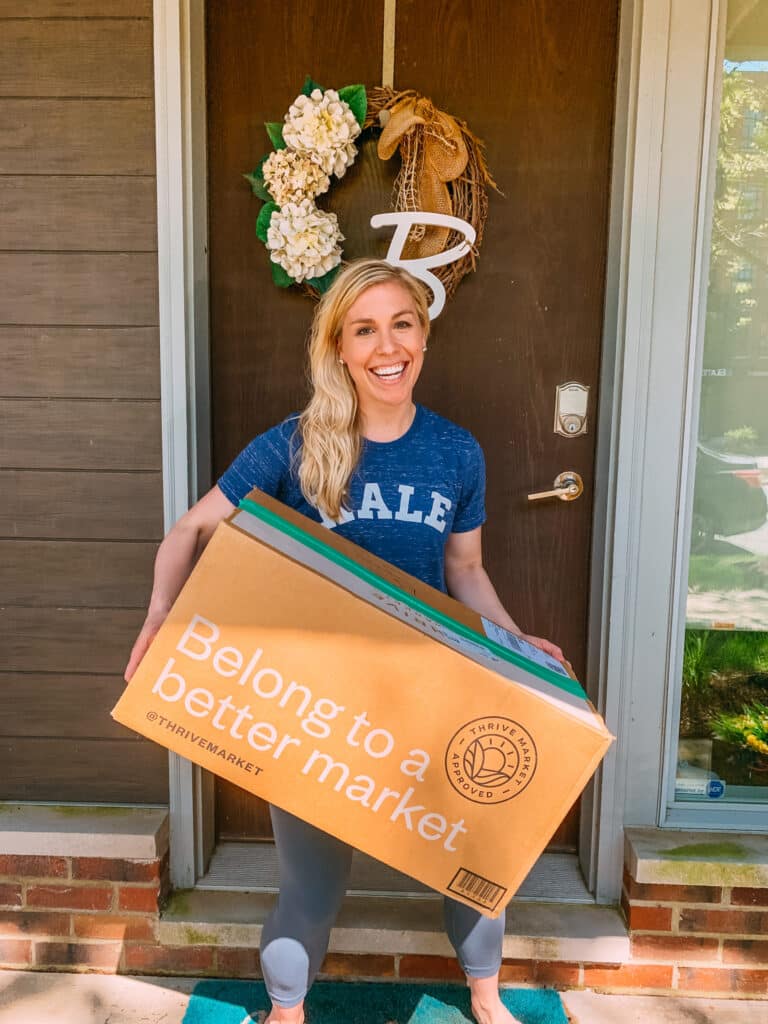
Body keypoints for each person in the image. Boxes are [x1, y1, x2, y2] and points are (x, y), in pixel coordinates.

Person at [125, 258, 566, 1024]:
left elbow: (465, 570)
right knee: (313, 885)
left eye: (401, 324)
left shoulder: (457, 452)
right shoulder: (294, 445)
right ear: (338, 348)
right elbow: (191, 528)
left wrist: (518, 643)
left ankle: (488, 1000)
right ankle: (287, 1012)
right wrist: (160, 613)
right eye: (364, 329)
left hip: (433, 693)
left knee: (477, 860)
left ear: (422, 338)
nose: (385, 345)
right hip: (320, 708)